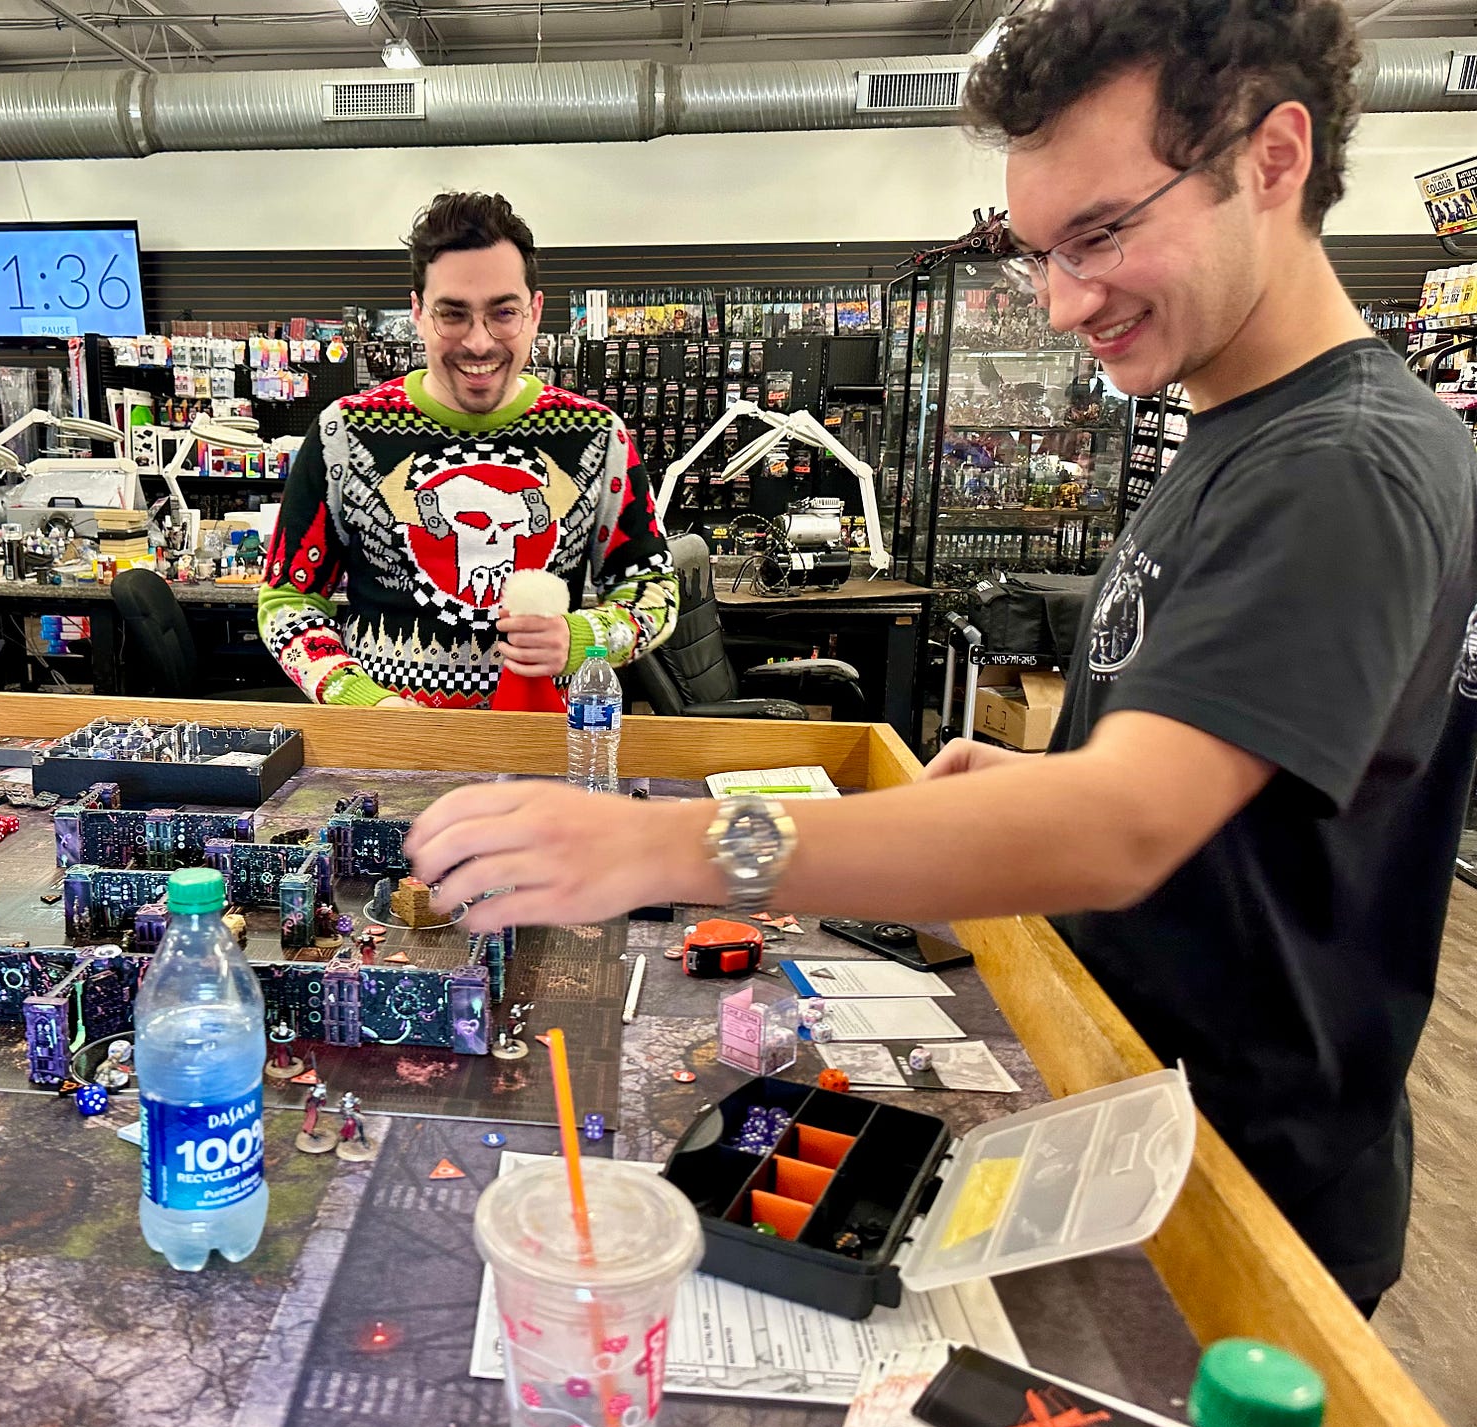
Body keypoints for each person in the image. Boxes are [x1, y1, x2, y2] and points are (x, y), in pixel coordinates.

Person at [406, 0, 1477, 1316]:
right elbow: (1231, 793)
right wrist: (1044, 778)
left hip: (1240, 1201)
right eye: (1042, 253)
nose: (1066, 300)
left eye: (1102, 233)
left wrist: (667, 847)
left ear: (1273, 157)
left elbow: (1124, 828)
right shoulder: (1247, 434)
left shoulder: (1340, 465)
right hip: (1143, 1130)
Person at [258, 192, 677, 708]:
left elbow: (653, 589)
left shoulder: (596, 435)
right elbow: (287, 601)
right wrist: (362, 702)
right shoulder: (344, 433)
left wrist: (584, 640)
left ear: (535, 312)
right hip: (390, 751)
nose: (479, 342)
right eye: (453, 314)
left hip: (543, 741)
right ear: (417, 312)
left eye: (504, 312)